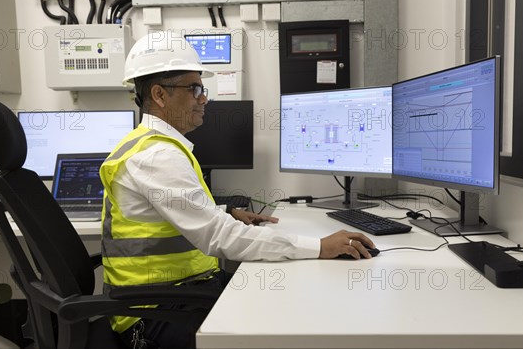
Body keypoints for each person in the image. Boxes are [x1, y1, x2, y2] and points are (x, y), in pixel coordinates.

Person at [100, 31, 376, 349]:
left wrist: (225, 213)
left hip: (176, 295)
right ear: (161, 95)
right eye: (195, 89)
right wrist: (318, 246)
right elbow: (222, 239)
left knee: (287, 299)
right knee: (292, 323)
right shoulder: (157, 156)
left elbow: (162, 216)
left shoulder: (149, 146)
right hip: (156, 317)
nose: (204, 98)